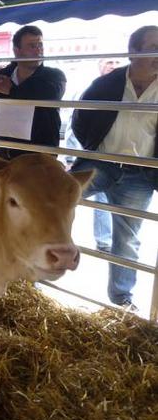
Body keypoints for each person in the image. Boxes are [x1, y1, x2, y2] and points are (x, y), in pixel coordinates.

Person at [71, 25, 158, 312]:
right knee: (57, 201)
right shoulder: (108, 83)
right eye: (153, 47)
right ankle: (41, 265)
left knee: (128, 238)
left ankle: (121, 301)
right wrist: (92, 147)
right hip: (100, 163)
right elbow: (80, 116)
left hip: (139, 173)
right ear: (133, 51)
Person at [0, 25, 66, 159]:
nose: (38, 50)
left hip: (40, 156)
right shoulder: (3, 75)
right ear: (17, 51)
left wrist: (11, 90)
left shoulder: (55, 76)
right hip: (4, 154)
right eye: (32, 46)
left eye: (40, 45)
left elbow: (49, 93)